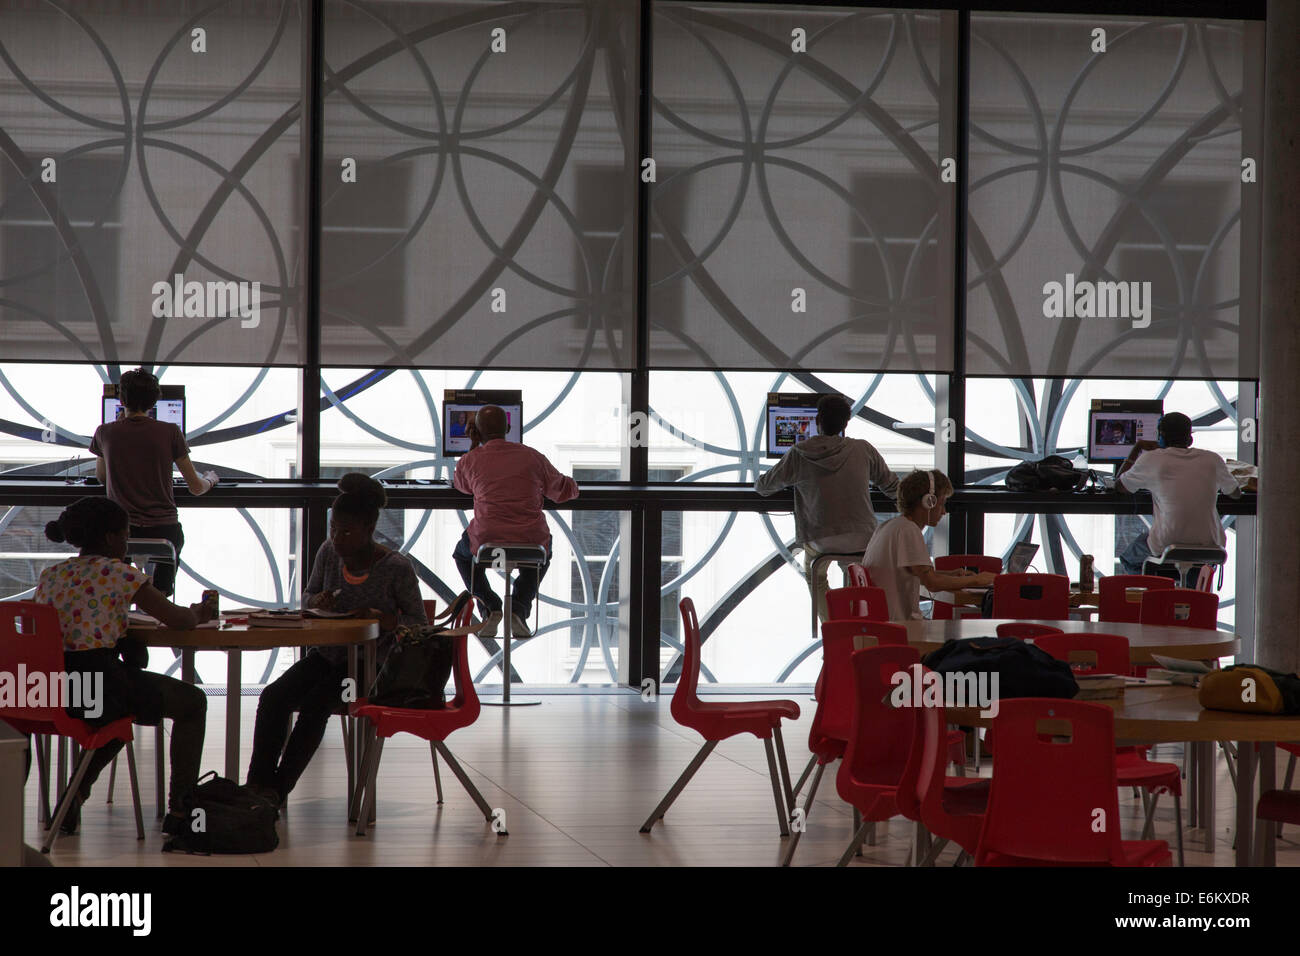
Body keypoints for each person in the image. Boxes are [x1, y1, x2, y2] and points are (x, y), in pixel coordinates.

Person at [35, 497, 214, 838]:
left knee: (119, 714)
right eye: (125, 535)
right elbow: (177, 619)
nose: (127, 542)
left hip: (55, 690)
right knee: (192, 703)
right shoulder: (121, 574)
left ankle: (75, 794)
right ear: (109, 538)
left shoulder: (51, 575)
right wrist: (200, 613)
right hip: (100, 686)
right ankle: (181, 809)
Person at [246, 474, 425, 804]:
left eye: (346, 532)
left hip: (370, 666)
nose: (337, 539)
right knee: (274, 697)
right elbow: (309, 594)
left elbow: (418, 626)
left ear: (369, 530)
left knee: (316, 704)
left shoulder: (396, 567)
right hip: (326, 656)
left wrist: (380, 619)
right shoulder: (328, 553)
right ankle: (257, 785)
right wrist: (317, 601)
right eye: (333, 529)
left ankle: (275, 791)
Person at [755, 394, 900, 622]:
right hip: (862, 536)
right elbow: (892, 486)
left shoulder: (799, 453)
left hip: (821, 537)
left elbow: (763, 487)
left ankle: (832, 624)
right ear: (846, 423)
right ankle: (857, 622)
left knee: (815, 573)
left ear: (817, 421)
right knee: (855, 569)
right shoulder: (863, 449)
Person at [452, 405, 578, 639]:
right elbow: (562, 491)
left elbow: (461, 485)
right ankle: (518, 608)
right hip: (531, 541)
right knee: (543, 552)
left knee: (461, 555)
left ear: (477, 431)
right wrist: (573, 484)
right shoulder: (532, 456)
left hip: (486, 541)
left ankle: (490, 607)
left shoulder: (471, 460)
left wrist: (473, 446)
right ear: (509, 428)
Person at [89, 367, 218, 596]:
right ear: (154, 401)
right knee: (168, 561)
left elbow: (102, 477)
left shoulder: (105, 432)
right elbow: (196, 488)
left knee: (118, 588)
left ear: (121, 400)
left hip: (121, 532)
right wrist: (210, 479)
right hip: (164, 531)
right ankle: (161, 596)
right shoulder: (170, 431)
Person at [1116, 411, 1241, 583]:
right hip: (1211, 545)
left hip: (1168, 544)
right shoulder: (1213, 459)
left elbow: (1119, 486)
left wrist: (1136, 449)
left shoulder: (1151, 459)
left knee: (1130, 558)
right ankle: (1188, 593)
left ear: (1161, 437)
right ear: (1190, 439)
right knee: (1192, 565)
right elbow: (1235, 493)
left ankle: (1162, 591)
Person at [861, 469, 996, 621]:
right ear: (929, 501)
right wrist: (977, 580)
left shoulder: (888, 526)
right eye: (942, 504)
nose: (944, 512)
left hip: (882, 623)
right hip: (900, 627)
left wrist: (949, 574)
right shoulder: (908, 530)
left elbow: (912, 572)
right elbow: (932, 583)